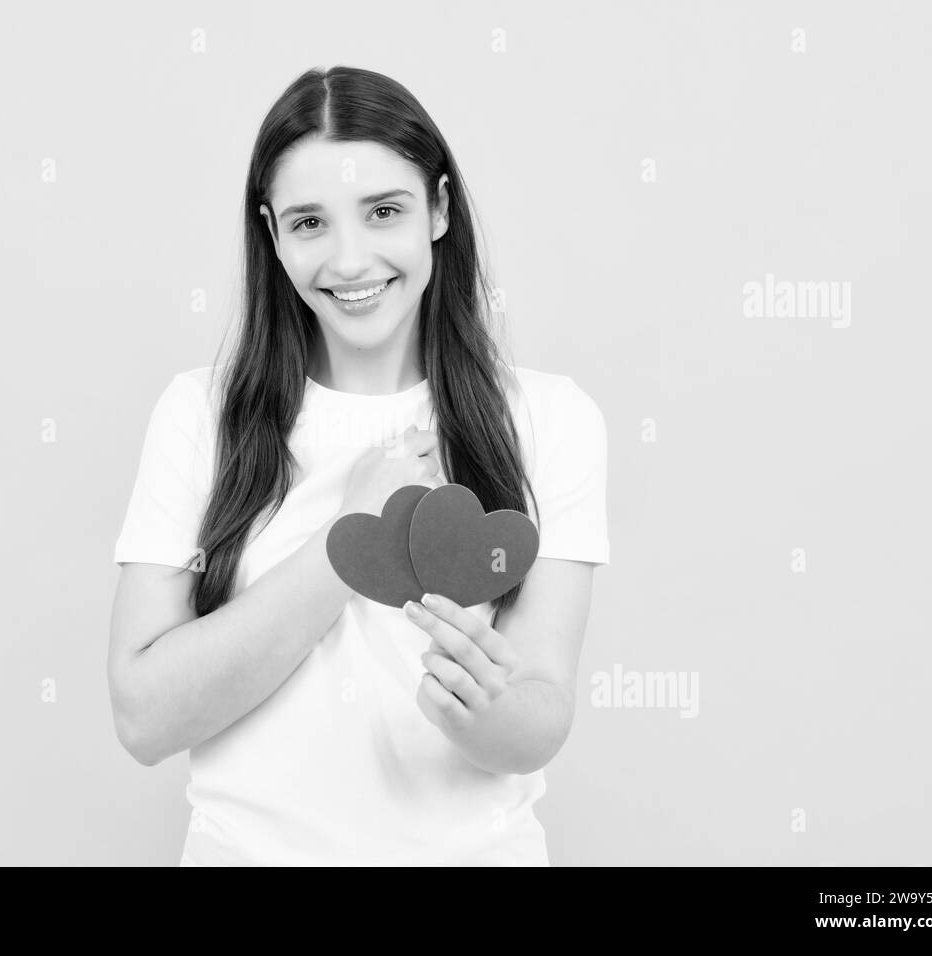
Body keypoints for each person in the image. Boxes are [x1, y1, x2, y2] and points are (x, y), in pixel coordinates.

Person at [108, 65, 609, 866]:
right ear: (271, 235)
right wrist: (351, 538)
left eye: (383, 212)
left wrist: (482, 710)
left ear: (439, 209)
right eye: (309, 223)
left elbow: (541, 716)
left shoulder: (549, 419)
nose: (350, 260)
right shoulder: (199, 416)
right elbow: (144, 720)